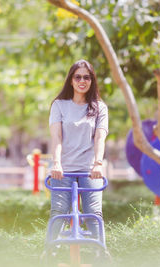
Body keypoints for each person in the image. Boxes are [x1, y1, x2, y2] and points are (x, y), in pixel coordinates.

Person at [47, 59, 109, 244]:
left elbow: (100, 138)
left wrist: (98, 164)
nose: (82, 81)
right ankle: (49, 254)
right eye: (78, 77)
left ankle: (100, 255)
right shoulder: (59, 105)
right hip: (63, 170)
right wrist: (56, 164)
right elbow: (57, 138)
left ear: (92, 81)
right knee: (58, 212)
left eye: (87, 77)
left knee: (94, 214)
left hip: (89, 170)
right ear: (71, 80)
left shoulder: (99, 107)